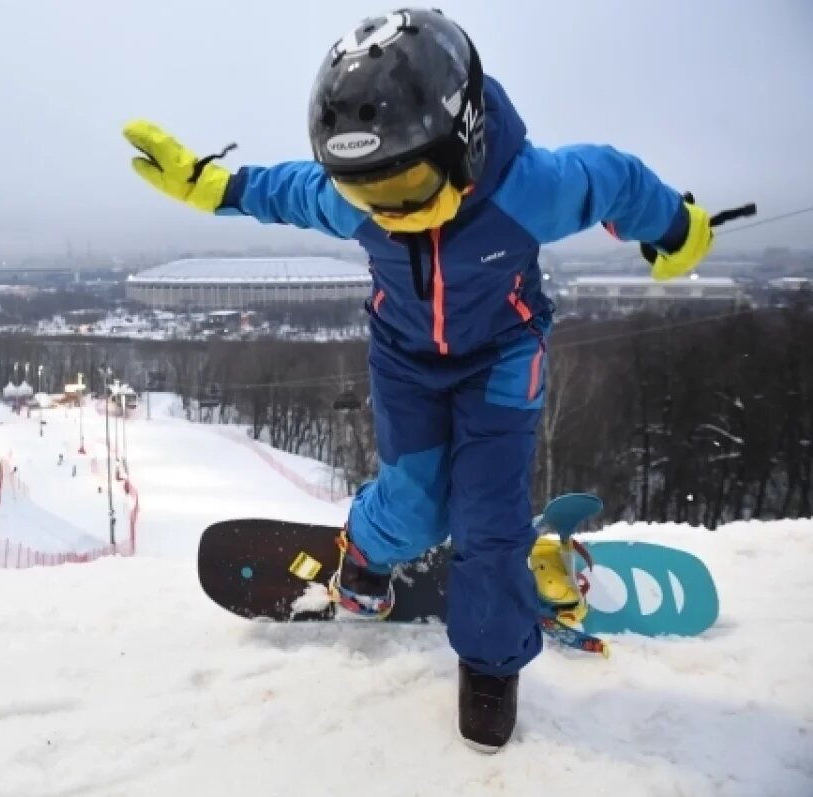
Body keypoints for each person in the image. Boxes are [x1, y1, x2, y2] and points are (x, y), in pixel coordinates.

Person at [123, 7, 714, 752]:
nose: (389, 209)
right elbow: (280, 190)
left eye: (405, 181)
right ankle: (367, 553)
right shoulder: (351, 198)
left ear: (461, 138)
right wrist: (211, 183)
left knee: (488, 518)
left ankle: (492, 660)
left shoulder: (529, 187)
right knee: (412, 505)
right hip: (405, 358)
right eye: (367, 190)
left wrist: (674, 229)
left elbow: (620, 182)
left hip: (503, 354)